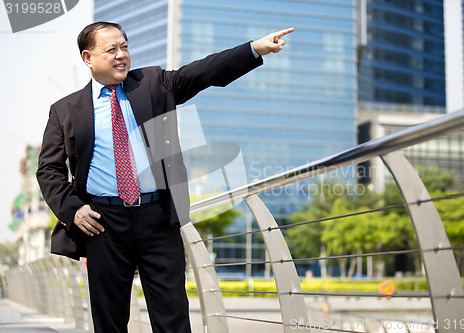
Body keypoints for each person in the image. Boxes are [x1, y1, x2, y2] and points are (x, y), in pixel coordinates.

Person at [36, 21, 293, 333]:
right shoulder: (66, 110)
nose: (122, 55)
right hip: (102, 223)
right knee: (109, 321)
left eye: (125, 47)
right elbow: (49, 169)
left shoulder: (152, 84)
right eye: (112, 49)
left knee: (172, 316)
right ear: (88, 57)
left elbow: (202, 72)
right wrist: (72, 209)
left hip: (157, 217)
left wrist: (255, 48)